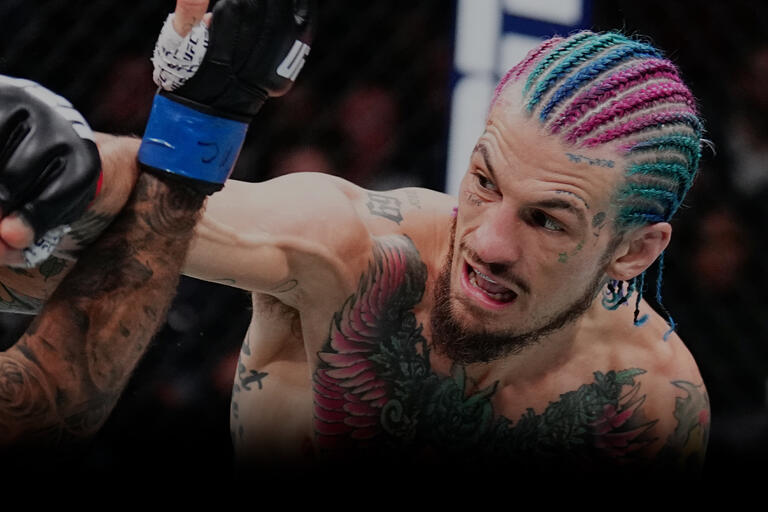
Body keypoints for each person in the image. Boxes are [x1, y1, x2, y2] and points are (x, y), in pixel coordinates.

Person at [0, 1, 709, 478]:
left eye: (548, 220)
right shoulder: (360, 255)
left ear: (634, 251)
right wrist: (68, 158)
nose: (487, 243)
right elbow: (170, 211)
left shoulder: (648, 400)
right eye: (485, 181)